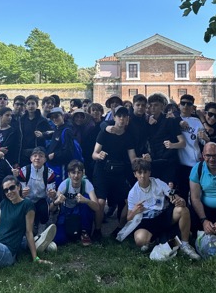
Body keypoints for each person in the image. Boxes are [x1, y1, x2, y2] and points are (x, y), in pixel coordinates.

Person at [126, 158, 200, 260]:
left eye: (145, 172)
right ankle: (159, 240)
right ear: (135, 174)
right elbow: (128, 218)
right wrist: (135, 211)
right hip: (146, 221)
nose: (143, 176)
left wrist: (179, 200)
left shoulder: (158, 182)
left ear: (149, 173)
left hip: (163, 215)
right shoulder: (133, 193)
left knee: (183, 209)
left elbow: (172, 194)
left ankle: (185, 244)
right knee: (140, 240)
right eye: (139, 173)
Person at [92, 106, 137, 238]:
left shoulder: (129, 136)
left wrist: (143, 160)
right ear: (114, 118)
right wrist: (99, 156)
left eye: (124, 116)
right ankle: (97, 230)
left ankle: (120, 229)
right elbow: (94, 154)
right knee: (100, 202)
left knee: (130, 201)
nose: (122, 119)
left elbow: (133, 159)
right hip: (102, 171)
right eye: (119, 116)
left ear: (128, 119)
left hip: (119, 173)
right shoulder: (104, 132)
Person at [52, 160, 100, 246]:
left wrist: (86, 200)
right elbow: (52, 208)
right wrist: (57, 201)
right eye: (73, 172)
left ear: (83, 174)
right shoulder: (64, 184)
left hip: (80, 211)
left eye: (79, 172)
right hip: (66, 212)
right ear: (69, 174)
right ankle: (73, 233)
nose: (76, 176)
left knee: (87, 200)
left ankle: (84, 232)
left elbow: (97, 207)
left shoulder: (86, 184)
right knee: (59, 240)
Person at [146, 93, 186, 185]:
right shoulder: (147, 123)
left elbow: (183, 143)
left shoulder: (170, 121)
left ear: (162, 106)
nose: (153, 108)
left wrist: (172, 145)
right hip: (154, 162)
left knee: (170, 190)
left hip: (169, 163)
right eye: (151, 105)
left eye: (156, 105)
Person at [16, 147, 57, 233]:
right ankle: (26, 229)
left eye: (41, 156)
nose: (37, 158)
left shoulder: (50, 173)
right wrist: (22, 193)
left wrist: (52, 194)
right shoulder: (24, 171)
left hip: (41, 200)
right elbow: (19, 189)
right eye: (35, 156)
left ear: (45, 159)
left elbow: (50, 191)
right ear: (31, 158)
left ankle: (42, 230)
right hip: (27, 199)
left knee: (44, 209)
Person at [176, 94, 206, 199]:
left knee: (196, 194)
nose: (185, 106)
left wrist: (205, 138)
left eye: (188, 104)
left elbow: (203, 140)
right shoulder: (173, 118)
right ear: (179, 105)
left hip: (194, 163)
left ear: (192, 106)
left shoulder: (196, 121)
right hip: (178, 163)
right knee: (182, 193)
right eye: (183, 103)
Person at [19, 95, 50, 167]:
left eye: (33, 103)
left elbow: (50, 133)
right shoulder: (21, 120)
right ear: (25, 106)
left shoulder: (42, 120)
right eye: (28, 104)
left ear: (37, 105)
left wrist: (43, 134)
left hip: (38, 152)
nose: (31, 106)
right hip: (24, 152)